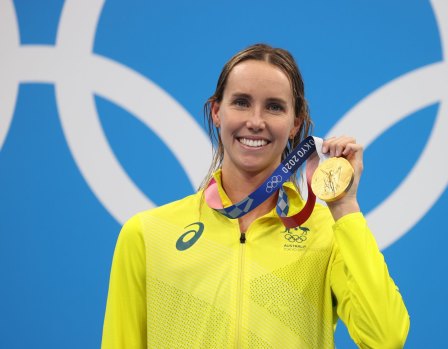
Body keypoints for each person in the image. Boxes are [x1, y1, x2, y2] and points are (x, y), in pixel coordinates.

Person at [102, 43, 410, 348]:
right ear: (216, 111)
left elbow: (386, 338)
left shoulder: (327, 232)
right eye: (241, 102)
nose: (256, 121)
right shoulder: (148, 233)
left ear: (295, 124)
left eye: (274, 106)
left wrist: (344, 206)